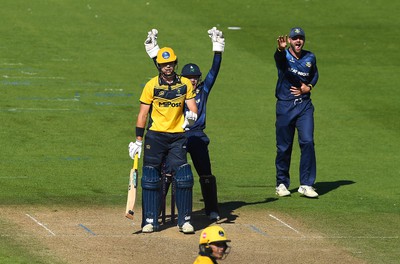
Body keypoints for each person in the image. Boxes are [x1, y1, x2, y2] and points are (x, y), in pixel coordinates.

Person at [144, 27, 225, 220]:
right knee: (168, 174)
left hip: (196, 134)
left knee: (205, 173)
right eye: (190, 78)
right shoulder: (179, 87)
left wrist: (218, 49)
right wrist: (154, 52)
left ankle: (212, 209)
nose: (193, 80)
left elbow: (215, 71)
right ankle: (155, 210)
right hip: (176, 134)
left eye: (196, 77)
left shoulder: (203, 90)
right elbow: (163, 71)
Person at [128, 46, 198, 234]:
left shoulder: (185, 84)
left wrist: (191, 117)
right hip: (156, 135)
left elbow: (193, 108)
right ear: (159, 66)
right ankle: (150, 221)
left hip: (177, 136)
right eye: (164, 64)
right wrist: (138, 140)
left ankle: (185, 221)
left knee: (183, 176)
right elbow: (143, 114)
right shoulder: (151, 85)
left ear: (175, 63)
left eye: (170, 63)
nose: (167, 67)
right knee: (151, 177)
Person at [273, 27, 319, 198]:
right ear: (290, 41)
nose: (298, 41)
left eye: (300, 38)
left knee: (308, 142)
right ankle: (282, 183)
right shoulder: (284, 56)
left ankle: (306, 184)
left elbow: (315, 74)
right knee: (284, 147)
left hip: (305, 106)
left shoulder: (310, 57)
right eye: (294, 38)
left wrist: (309, 86)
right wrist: (280, 49)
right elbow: (279, 60)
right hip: (285, 106)